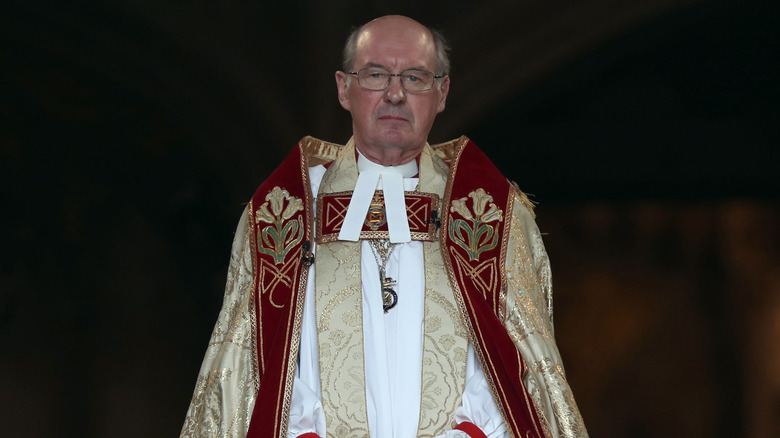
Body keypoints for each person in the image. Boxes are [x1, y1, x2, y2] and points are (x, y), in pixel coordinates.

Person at [180, 15, 588, 438]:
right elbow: (256, 368)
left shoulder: (489, 212)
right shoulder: (285, 212)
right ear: (343, 87)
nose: (395, 94)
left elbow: (515, 370)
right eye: (375, 75)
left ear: (442, 92)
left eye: (415, 77)